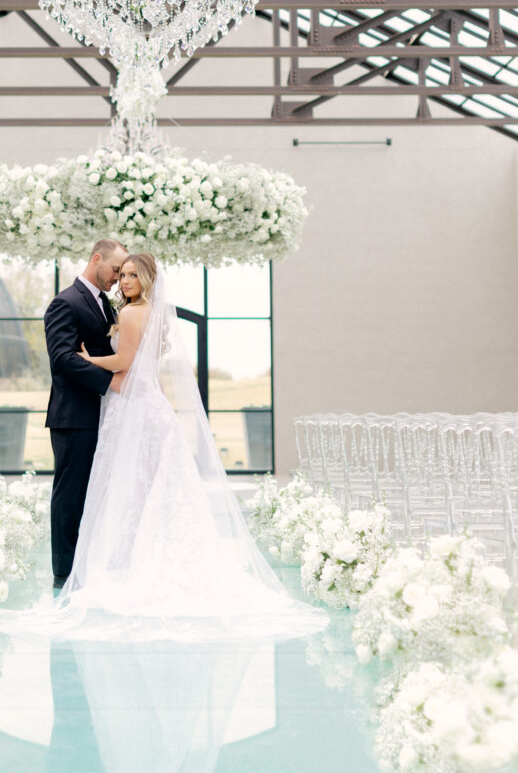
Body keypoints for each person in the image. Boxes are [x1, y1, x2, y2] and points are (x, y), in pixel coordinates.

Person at [35, 251, 329, 642]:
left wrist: (92, 358)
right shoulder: (146, 311)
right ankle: (123, 561)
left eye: (130, 276)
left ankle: (122, 564)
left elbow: (124, 359)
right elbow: (123, 360)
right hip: (143, 405)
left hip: (133, 405)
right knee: (149, 486)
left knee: (130, 484)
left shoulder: (127, 313)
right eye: (120, 274)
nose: (122, 281)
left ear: (146, 279)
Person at [43, 238, 128, 589]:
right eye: (114, 270)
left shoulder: (107, 306)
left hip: (102, 416)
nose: (118, 278)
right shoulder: (65, 302)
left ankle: (90, 564)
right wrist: (110, 382)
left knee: (98, 493)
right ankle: (64, 573)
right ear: (96, 259)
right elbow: (62, 358)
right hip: (74, 417)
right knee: (71, 494)